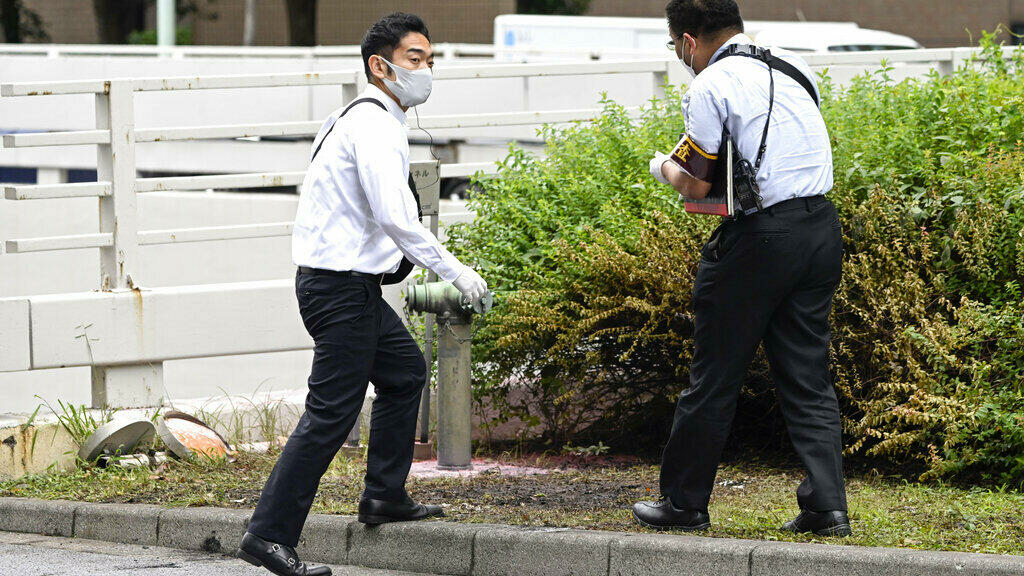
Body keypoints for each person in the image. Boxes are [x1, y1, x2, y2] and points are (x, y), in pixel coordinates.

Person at [237, 12, 489, 576]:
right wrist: (456, 272)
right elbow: (396, 218)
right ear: (381, 66)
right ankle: (267, 535)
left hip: (346, 287)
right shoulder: (374, 125)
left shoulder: (356, 116)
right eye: (414, 60)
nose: (425, 71)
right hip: (339, 289)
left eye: (429, 60)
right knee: (329, 416)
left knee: (404, 373)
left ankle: (383, 496)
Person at [632, 0, 851, 537]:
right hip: (821, 228)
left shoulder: (709, 84)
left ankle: (682, 503)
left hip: (761, 240)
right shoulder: (791, 63)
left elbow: (697, 182)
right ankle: (828, 507)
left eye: (676, 49)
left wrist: (663, 166)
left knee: (714, 377)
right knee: (807, 376)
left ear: (687, 42)